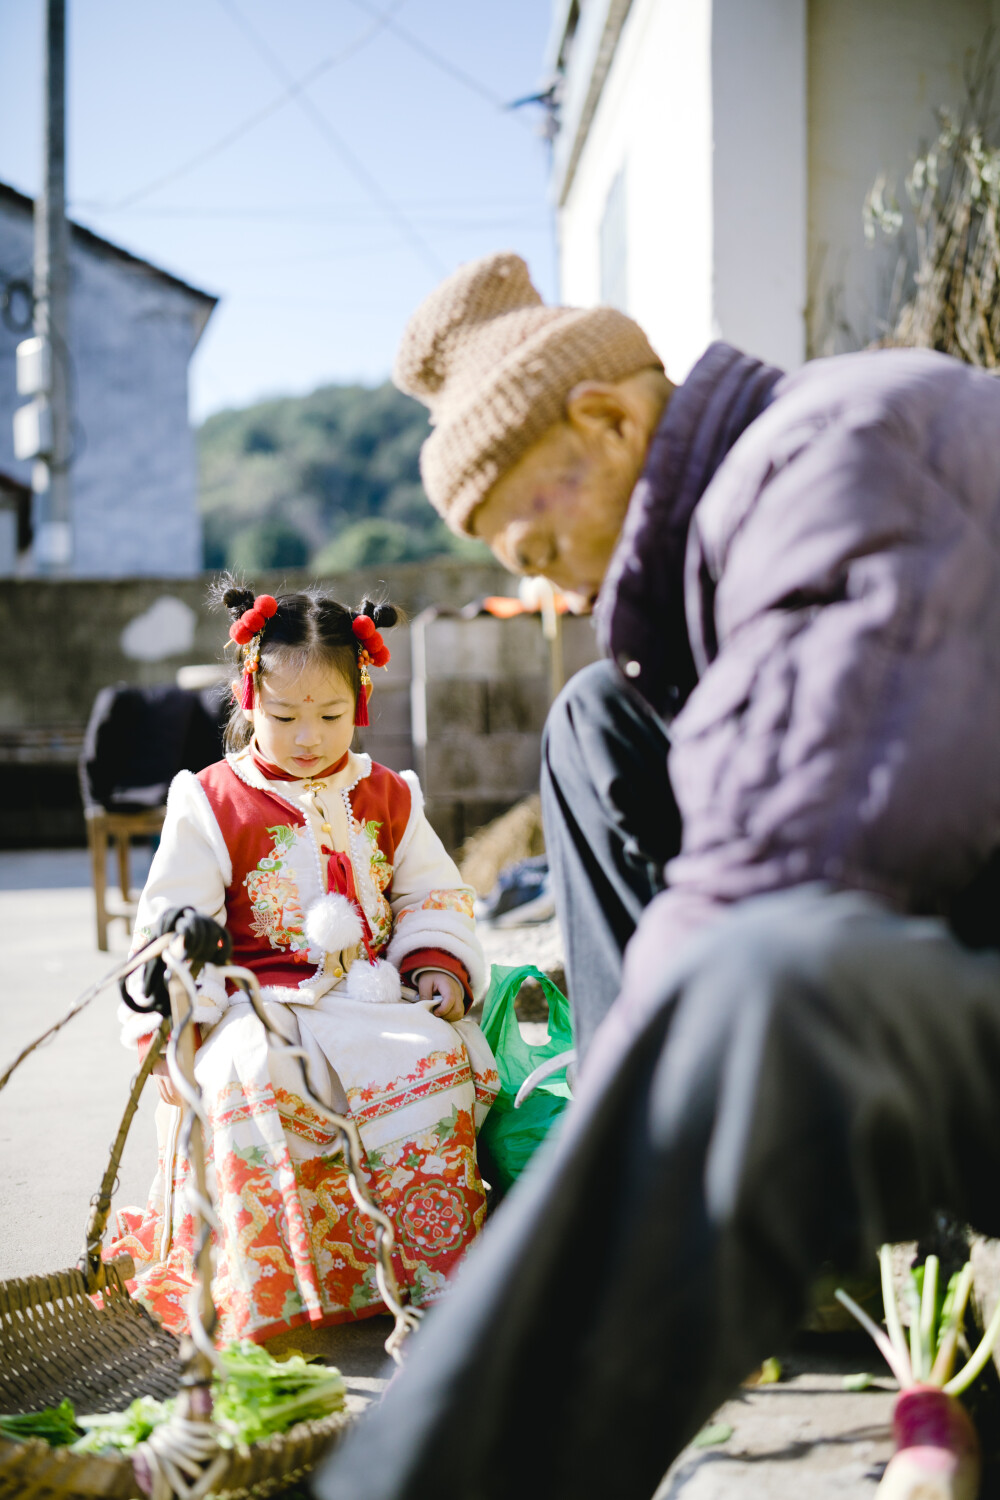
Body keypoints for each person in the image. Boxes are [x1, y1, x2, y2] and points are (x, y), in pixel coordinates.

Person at [314, 252, 1000, 1499]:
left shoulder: (838, 460)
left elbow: (803, 862)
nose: (544, 582)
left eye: (537, 534)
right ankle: (662, 1182)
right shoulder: (756, 502)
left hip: (938, 967)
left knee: (764, 975)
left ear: (613, 419)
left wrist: (590, 1189)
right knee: (595, 719)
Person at [109, 580, 498, 1345]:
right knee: (252, 1073)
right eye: (285, 717)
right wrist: (180, 1013)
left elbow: (432, 894)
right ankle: (275, 1290)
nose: (309, 737)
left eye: (330, 716)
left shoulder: (389, 794)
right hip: (253, 1004)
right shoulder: (211, 799)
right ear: (247, 695)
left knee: (435, 1057)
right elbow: (169, 924)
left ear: (361, 704)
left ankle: (431, 1276)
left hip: (376, 997)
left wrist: (435, 965)